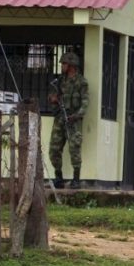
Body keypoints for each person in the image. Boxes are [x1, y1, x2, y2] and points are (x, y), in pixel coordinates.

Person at [49, 51, 89, 189]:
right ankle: (58, 177)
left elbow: (85, 102)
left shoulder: (81, 82)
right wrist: (53, 99)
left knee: (74, 149)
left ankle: (76, 179)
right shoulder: (60, 81)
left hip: (73, 120)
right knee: (54, 149)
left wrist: (77, 115)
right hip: (60, 118)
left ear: (71, 65)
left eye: (64, 63)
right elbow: (55, 96)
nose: (62, 66)